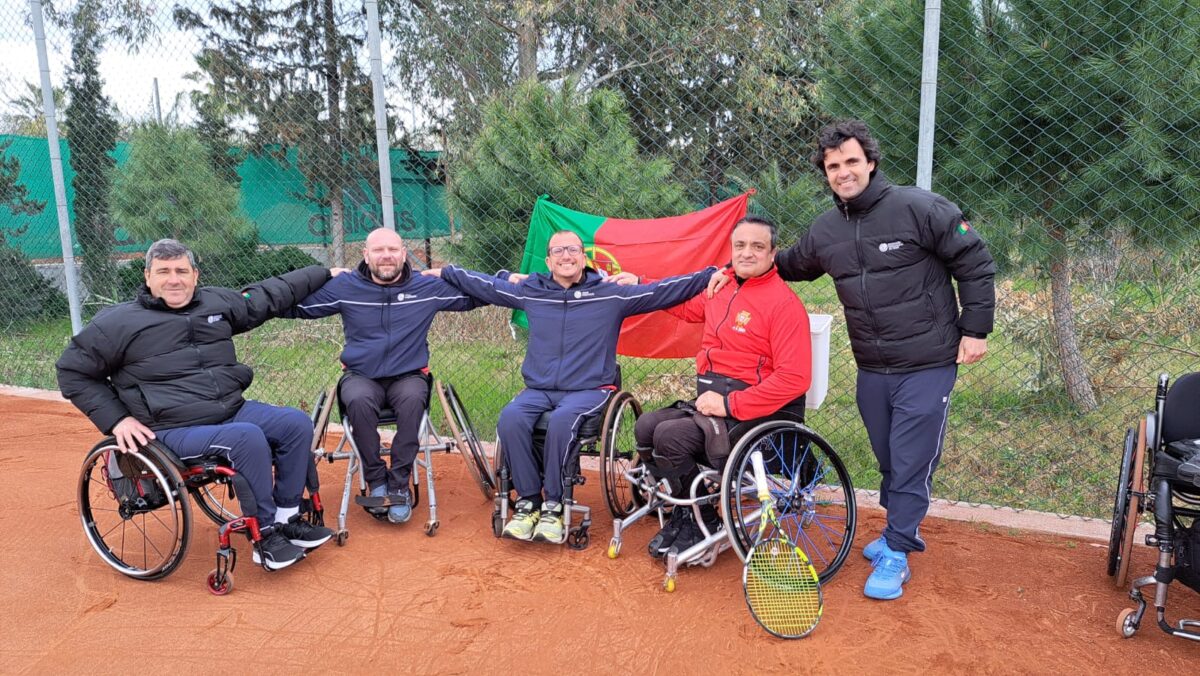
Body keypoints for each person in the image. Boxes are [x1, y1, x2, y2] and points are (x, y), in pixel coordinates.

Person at [712, 120, 996, 600]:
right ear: (826, 173)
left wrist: (975, 329)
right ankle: (894, 531)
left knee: (910, 459)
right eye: (832, 166)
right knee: (888, 455)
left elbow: (974, 261)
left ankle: (899, 550)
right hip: (873, 367)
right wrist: (732, 269)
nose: (843, 172)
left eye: (850, 162)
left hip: (928, 360)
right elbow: (787, 263)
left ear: (870, 162)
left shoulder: (920, 208)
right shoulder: (826, 231)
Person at [56, 238, 337, 571]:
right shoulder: (116, 323)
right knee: (246, 437)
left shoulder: (215, 303)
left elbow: (266, 295)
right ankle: (265, 536)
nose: (174, 279)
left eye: (181, 271)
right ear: (148, 277)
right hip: (171, 428)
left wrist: (325, 272)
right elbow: (72, 372)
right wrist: (118, 421)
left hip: (229, 410)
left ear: (195, 275)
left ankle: (287, 515)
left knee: (295, 423)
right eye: (163, 271)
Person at [425, 231, 716, 544]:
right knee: (510, 417)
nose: (566, 256)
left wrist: (711, 274)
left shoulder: (610, 293)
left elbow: (665, 291)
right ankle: (528, 503)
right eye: (558, 251)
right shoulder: (531, 290)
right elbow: (486, 285)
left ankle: (553, 504)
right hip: (539, 390)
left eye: (573, 250)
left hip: (590, 390)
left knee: (564, 422)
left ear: (583, 257)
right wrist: (448, 271)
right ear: (549, 260)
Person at [624, 216, 811, 558]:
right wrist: (639, 283)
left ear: (773, 254)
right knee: (646, 425)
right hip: (712, 400)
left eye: (757, 246)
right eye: (740, 246)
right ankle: (688, 512)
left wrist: (730, 405)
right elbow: (681, 304)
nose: (747, 253)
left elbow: (795, 379)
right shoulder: (720, 288)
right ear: (731, 251)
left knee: (670, 436)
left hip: (754, 412)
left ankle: (704, 520)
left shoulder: (784, 305)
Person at [287, 228, 485, 524]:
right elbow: (295, 306)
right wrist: (320, 274)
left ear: (404, 253)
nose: (386, 256)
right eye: (378, 250)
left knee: (412, 401)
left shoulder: (425, 287)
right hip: (361, 375)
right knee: (357, 400)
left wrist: (451, 273)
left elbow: (476, 296)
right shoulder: (346, 287)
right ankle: (376, 478)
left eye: (393, 249)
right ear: (365, 255)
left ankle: (399, 483)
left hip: (409, 375)